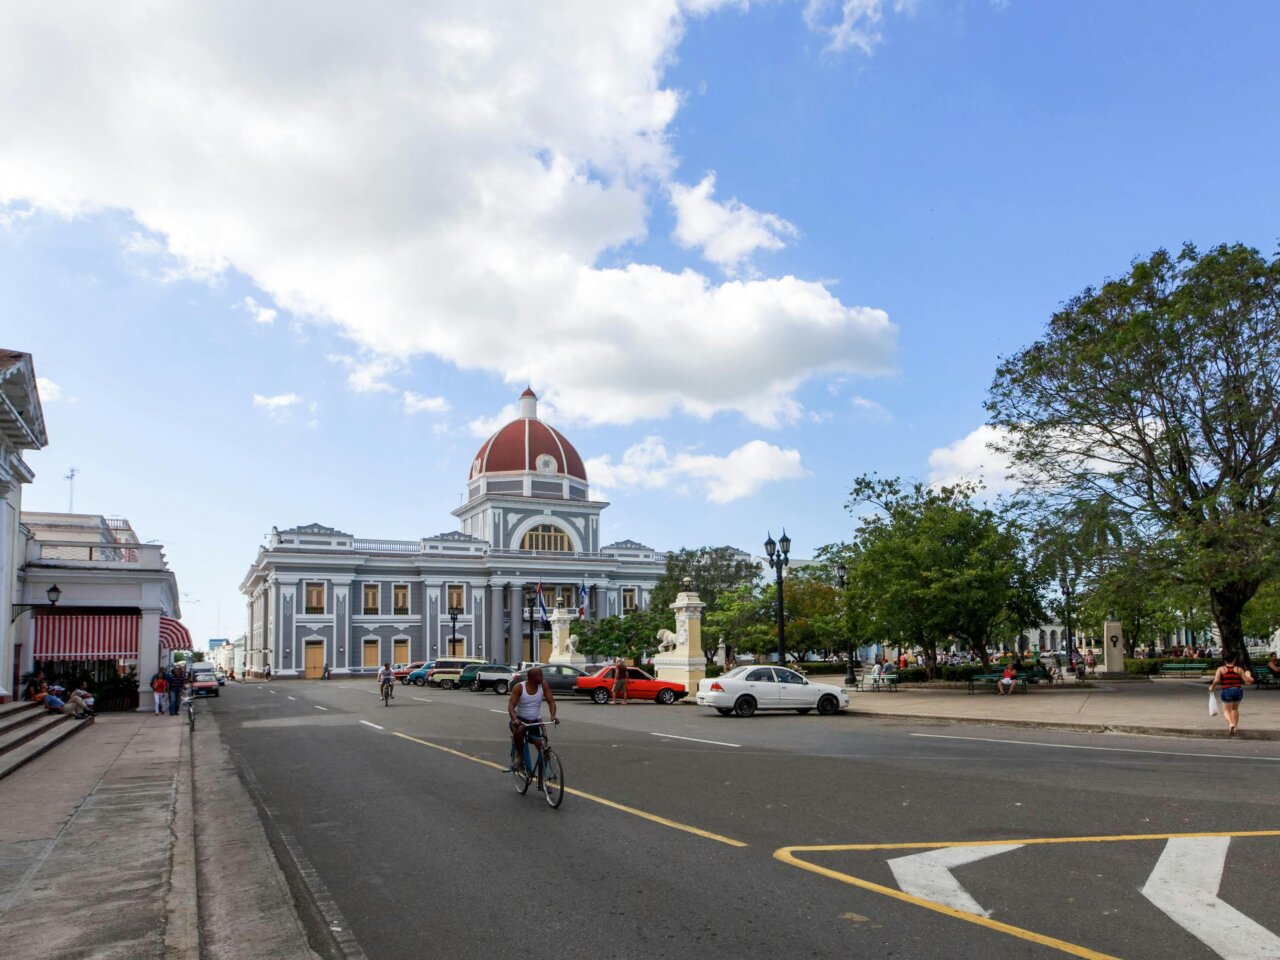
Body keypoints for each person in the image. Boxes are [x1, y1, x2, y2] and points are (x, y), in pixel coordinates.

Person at [507, 666, 557, 773]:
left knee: (542, 747)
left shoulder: (543, 685)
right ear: (531, 678)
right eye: (540, 676)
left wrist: (553, 716)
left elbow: (551, 701)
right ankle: (520, 758)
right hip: (520, 720)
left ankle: (543, 780)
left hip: (535, 721)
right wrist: (515, 719)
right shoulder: (519, 688)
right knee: (519, 730)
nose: (542, 678)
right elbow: (511, 706)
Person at [1208, 652, 1253, 735]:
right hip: (1238, 691)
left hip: (1226, 691)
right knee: (1235, 709)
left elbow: (1216, 680)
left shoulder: (1221, 669)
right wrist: (1249, 676)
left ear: (1225, 661)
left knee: (1226, 710)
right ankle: (1235, 727)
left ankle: (1231, 724)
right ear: (1234, 660)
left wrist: (1212, 686)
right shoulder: (1239, 669)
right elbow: (1247, 680)